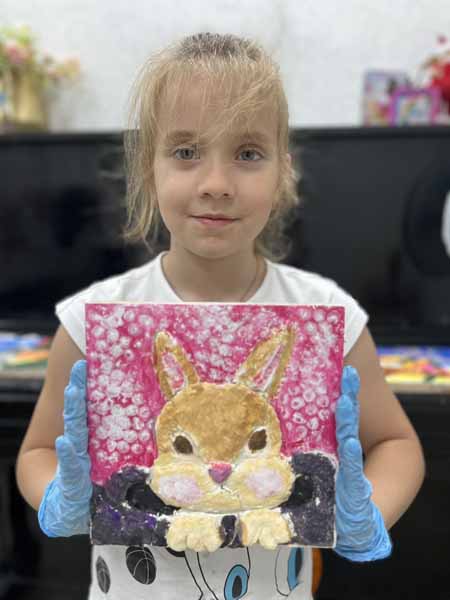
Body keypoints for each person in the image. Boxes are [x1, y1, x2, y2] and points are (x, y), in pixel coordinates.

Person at [15, 32, 425, 600]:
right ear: (148, 167)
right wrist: (58, 498)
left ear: (283, 171)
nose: (216, 185)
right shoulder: (92, 323)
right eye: (186, 152)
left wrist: (368, 512)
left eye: (248, 154)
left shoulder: (327, 319)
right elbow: (37, 452)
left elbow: (396, 443)